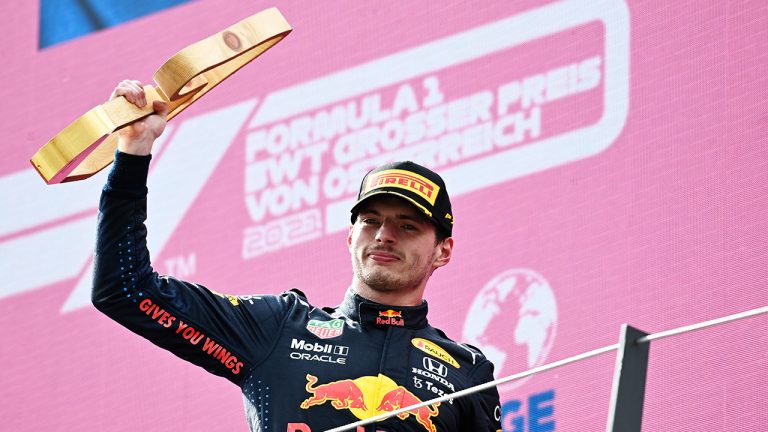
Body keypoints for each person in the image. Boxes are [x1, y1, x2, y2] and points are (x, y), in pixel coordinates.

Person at [92, 80, 502, 432]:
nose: (384, 235)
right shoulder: (281, 327)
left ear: (443, 251)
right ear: (350, 237)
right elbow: (125, 290)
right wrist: (134, 151)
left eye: (407, 226)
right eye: (371, 221)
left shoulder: (467, 372)